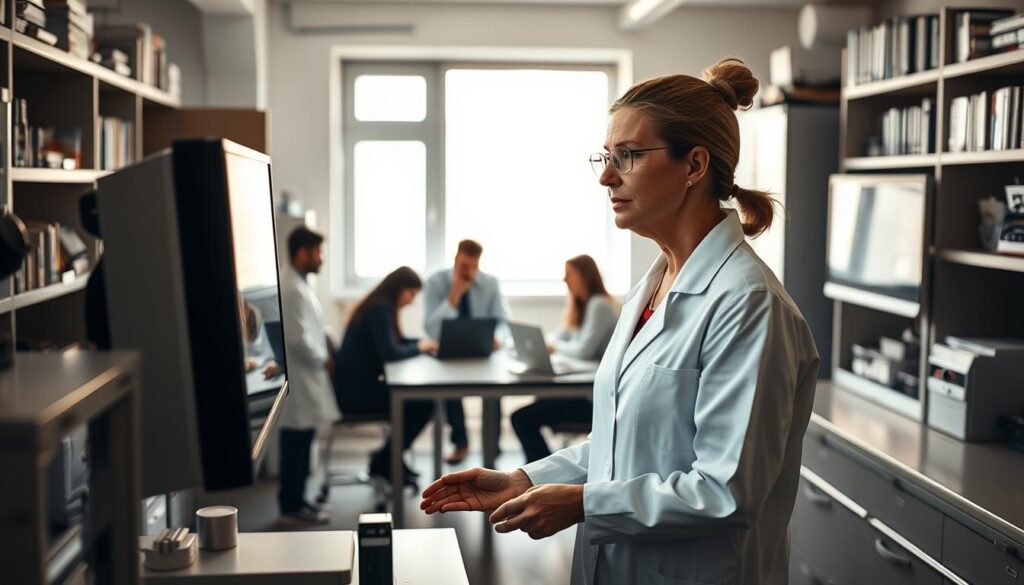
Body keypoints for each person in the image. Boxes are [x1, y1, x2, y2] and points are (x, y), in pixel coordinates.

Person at [420, 58, 820, 585]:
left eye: (627, 156)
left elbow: (725, 493)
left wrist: (585, 503)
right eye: (606, 158)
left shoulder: (747, 306)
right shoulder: (650, 289)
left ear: (694, 166)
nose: (607, 176)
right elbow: (621, 447)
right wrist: (524, 479)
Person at [334, 266, 439, 485]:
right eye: (411, 294)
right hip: (355, 395)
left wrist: (419, 343)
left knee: (421, 403)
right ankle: (385, 461)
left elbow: (394, 343)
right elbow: (391, 353)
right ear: (399, 289)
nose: (411, 301)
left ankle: (389, 460)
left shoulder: (379, 306)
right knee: (424, 404)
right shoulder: (379, 309)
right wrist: (420, 347)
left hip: (357, 387)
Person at [510, 255, 618, 463]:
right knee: (535, 406)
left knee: (521, 418)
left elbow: (583, 351)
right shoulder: (581, 306)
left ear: (584, 276)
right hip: (581, 390)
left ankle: (541, 474)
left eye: (570, 274)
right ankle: (543, 470)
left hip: (593, 398)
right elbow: (558, 336)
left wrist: (554, 347)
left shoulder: (599, 305)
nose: (565, 280)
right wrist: (548, 343)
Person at [422, 239, 510, 464]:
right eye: (464, 266)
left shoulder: (490, 283)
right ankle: (460, 443)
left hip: (483, 352)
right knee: (451, 390)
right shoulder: (435, 282)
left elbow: (502, 320)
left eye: (474, 266)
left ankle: (493, 447)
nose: (469, 272)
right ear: (455, 259)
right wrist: (454, 296)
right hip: (447, 353)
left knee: (494, 390)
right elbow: (430, 329)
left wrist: (497, 338)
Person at [277, 226, 339, 526]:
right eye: (318, 252)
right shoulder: (291, 287)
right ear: (302, 253)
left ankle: (298, 502)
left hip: (306, 381)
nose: (321, 258)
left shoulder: (298, 284)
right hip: (301, 380)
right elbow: (297, 339)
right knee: (295, 446)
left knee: (301, 444)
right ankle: (291, 505)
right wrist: (324, 358)